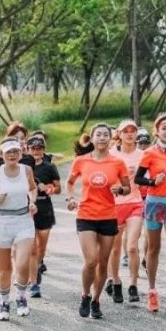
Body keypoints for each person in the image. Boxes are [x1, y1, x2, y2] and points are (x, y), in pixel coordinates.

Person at [66, 123, 131, 319]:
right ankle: (85, 295)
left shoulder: (117, 163)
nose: (102, 137)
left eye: (106, 135)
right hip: (86, 215)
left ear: (110, 139)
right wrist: (70, 198)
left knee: (103, 264)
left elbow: (127, 188)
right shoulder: (81, 161)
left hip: (108, 216)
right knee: (91, 261)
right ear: (92, 138)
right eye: (98, 134)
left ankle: (95, 300)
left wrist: (119, 190)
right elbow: (69, 182)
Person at [135, 112, 166, 314]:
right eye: (163, 128)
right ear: (157, 131)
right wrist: (151, 182)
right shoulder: (149, 153)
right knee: (153, 249)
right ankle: (152, 290)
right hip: (155, 203)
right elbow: (138, 178)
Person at [0, 139, 38, 320]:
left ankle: (21, 297)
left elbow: (32, 188)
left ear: (20, 153)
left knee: (23, 263)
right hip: (2, 221)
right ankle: (4, 303)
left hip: (23, 220)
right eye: (8, 152)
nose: (12, 155)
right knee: (5, 267)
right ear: (2, 155)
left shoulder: (26, 170)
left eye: (15, 151)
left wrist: (32, 201)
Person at [106, 119, 144, 304]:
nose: (130, 134)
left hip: (135, 202)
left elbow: (148, 178)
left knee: (131, 247)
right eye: (126, 131)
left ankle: (134, 284)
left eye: (133, 131)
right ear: (119, 134)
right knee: (115, 248)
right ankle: (116, 281)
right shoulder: (110, 154)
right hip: (114, 205)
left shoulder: (143, 155)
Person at [24, 135, 60, 298]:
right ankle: (34, 280)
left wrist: (48, 188)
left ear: (43, 150)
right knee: (32, 246)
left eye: (39, 149)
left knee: (42, 246)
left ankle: (38, 263)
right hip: (27, 208)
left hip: (44, 206)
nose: (36, 152)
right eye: (33, 148)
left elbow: (58, 188)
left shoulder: (49, 166)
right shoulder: (23, 167)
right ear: (28, 149)